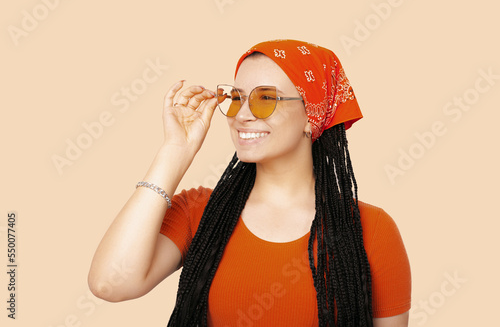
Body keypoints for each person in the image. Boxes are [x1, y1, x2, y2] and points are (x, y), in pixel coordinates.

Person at [88, 39, 411, 326]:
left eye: (265, 98)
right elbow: (110, 283)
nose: (242, 115)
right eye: (235, 98)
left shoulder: (372, 230)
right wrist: (175, 151)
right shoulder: (201, 212)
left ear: (312, 115)